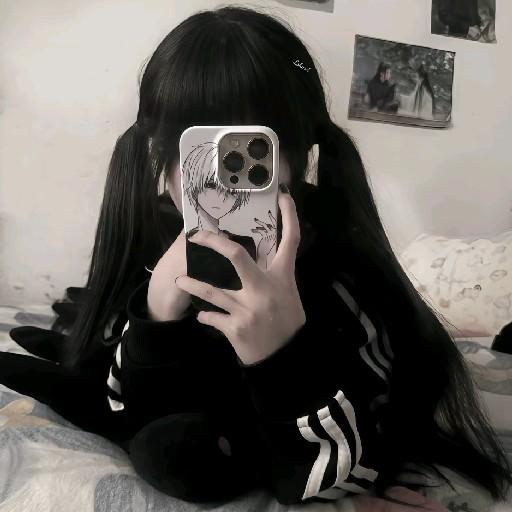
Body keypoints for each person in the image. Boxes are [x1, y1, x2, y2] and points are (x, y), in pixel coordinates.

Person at [1, 5, 511, 508]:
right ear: (162, 155)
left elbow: (343, 473)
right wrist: (155, 315)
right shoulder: (153, 243)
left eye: (253, 150)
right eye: (202, 149)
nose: (225, 182)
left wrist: (283, 352)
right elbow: (128, 412)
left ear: (298, 156)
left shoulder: (340, 276)